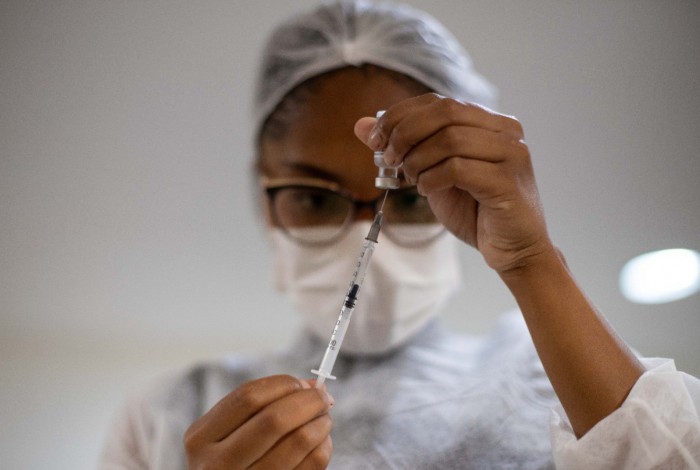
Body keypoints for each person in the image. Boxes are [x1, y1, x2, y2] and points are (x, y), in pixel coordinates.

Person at [98, 1, 700, 469]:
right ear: (265, 199)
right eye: (314, 198)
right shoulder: (171, 413)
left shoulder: (552, 378)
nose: (367, 233)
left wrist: (532, 261)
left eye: (408, 197)